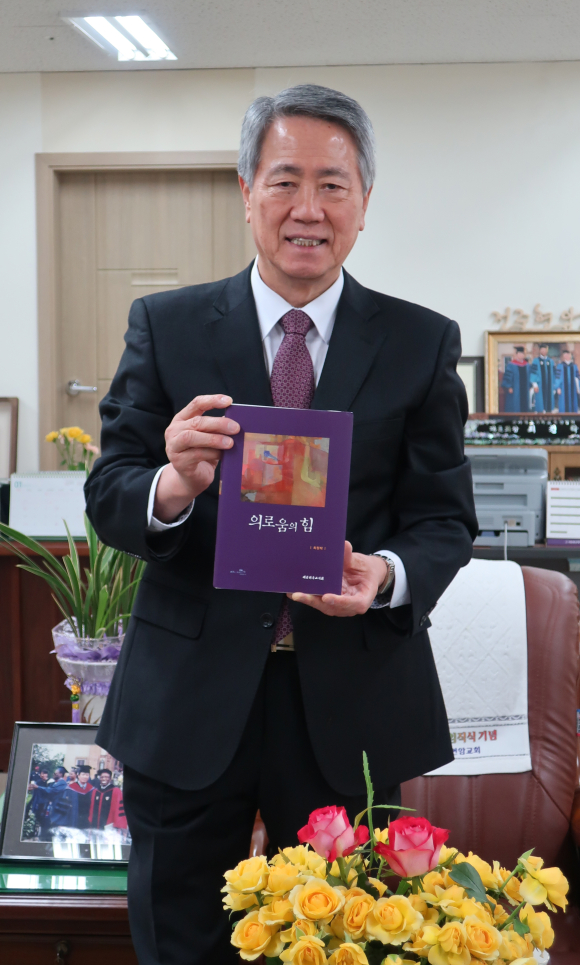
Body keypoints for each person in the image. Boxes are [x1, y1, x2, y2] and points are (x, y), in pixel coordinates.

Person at [85, 84, 477, 964]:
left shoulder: (420, 342)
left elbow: (444, 520)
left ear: (364, 203)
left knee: (346, 941)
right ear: (246, 191)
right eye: (285, 181)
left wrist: (384, 574)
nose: (309, 208)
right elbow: (110, 492)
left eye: (333, 185)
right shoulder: (168, 326)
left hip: (349, 699)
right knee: (180, 938)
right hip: (189, 696)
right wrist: (172, 484)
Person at [28, 766, 73, 839]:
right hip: (50, 808)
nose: (53, 774)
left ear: (60, 774)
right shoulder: (56, 783)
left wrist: (38, 787)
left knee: (50, 829)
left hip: (56, 810)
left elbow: (50, 790)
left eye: (55, 773)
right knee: (46, 826)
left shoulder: (62, 783)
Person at [501, 346, 531, 412]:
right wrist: (509, 387)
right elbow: (508, 376)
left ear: (524, 355)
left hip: (525, 389)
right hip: (515, 389)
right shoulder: (511, 365)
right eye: (519, 354)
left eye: (522, 354)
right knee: (514, 404)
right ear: (516, 355)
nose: (521, 355)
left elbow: (529, 376)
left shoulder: (527, 365)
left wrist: (529, 385)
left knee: (525, 403)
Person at [530, 343, 557, 413]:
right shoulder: (536, 361)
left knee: (549, 405)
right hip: (539, 386)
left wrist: (554, 386)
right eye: (542, 350)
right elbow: (533, 373)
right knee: (540, 403)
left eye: (545, 350)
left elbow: (554, 374)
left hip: (550, 386)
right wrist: (535, 385)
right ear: (539, 350)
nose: (544, 351)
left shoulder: (551, 361)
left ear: (547, 351)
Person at [67, 765, 96, 829]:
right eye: (83, 774)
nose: (85, 777)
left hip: (87, 820)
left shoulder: (92, 789)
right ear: (78, 775)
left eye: (87, 775)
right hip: (73, 819)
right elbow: (65, 805)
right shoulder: (70, 788)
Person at [556, 349, 580, 413]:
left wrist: (578, 388)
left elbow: (577, 378)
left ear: (570, 355)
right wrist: (558, 387)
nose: (566, 356)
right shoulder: (560, 366)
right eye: (565, 355)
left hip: (573, 389)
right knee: (563, 404)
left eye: (567, 354)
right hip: (563, 389)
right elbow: (557, 377)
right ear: (563, 356)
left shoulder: (574, 366)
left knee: (573, 403)